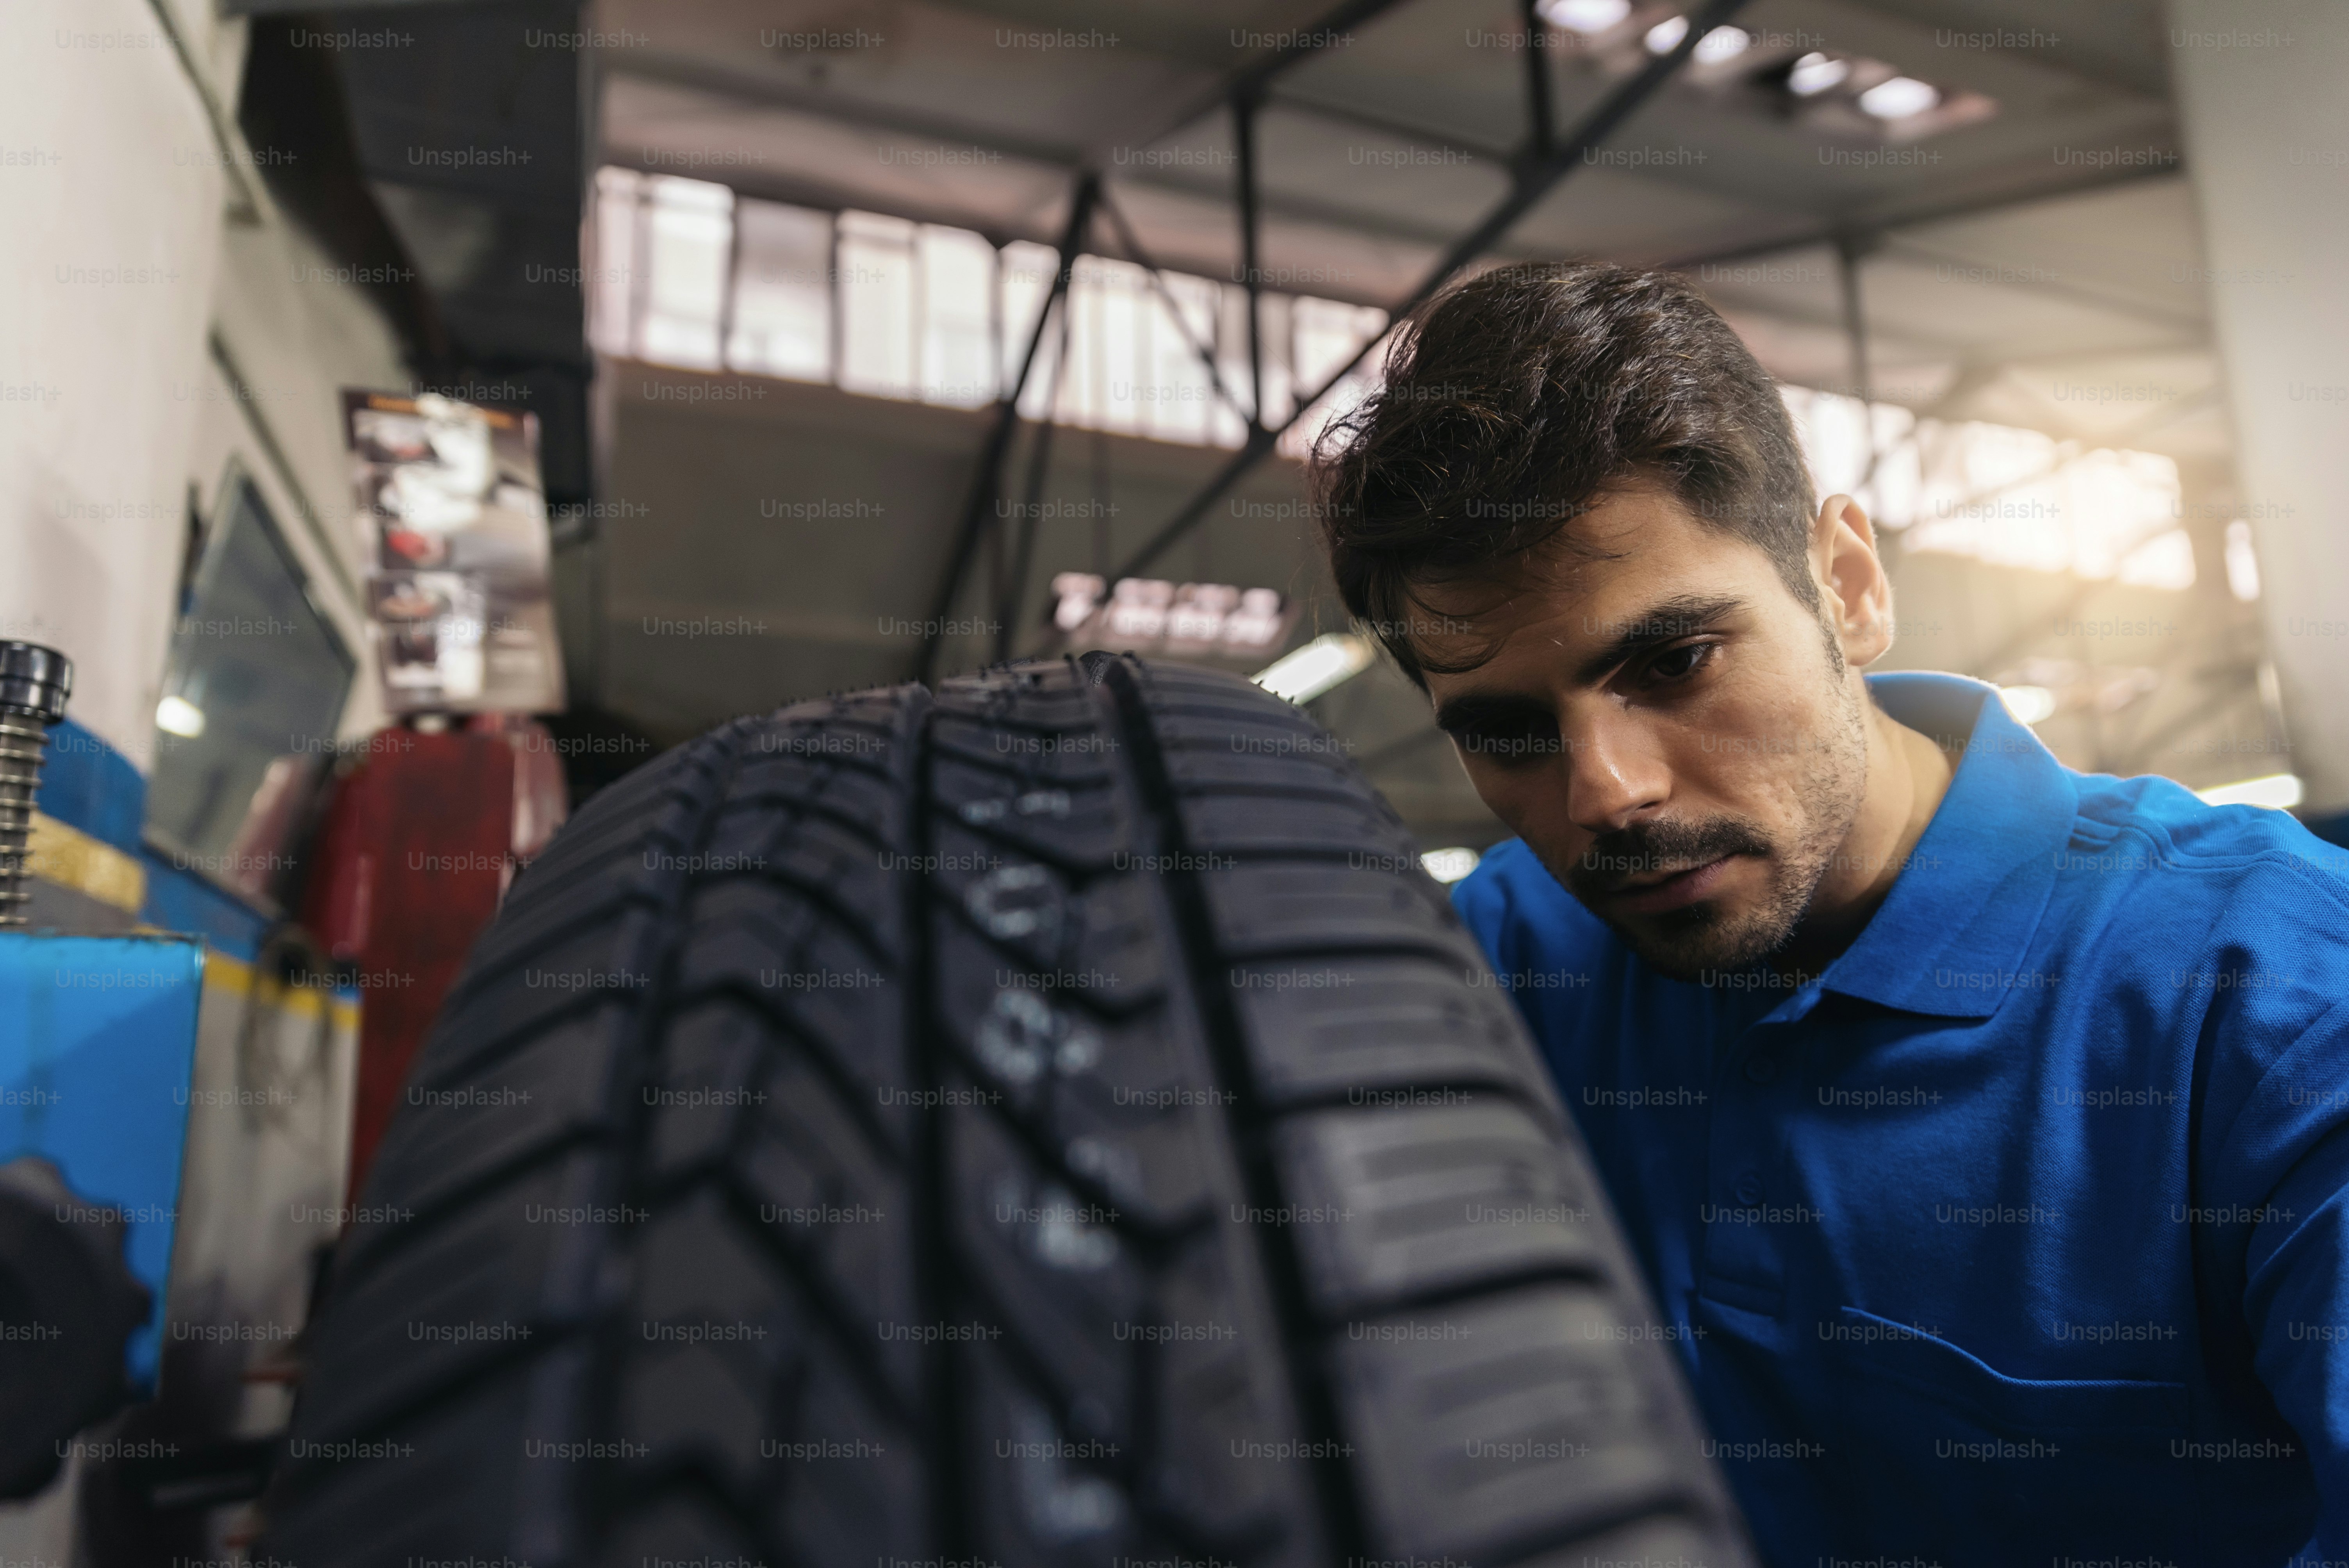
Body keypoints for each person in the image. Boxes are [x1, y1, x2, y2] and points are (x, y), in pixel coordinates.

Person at [1311, 261, 2349, 1564]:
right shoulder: (1512, 959)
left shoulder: (2279, 1002)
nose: (1608, 796)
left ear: (1847, 584)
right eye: (1511, 732)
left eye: (1672, 662)